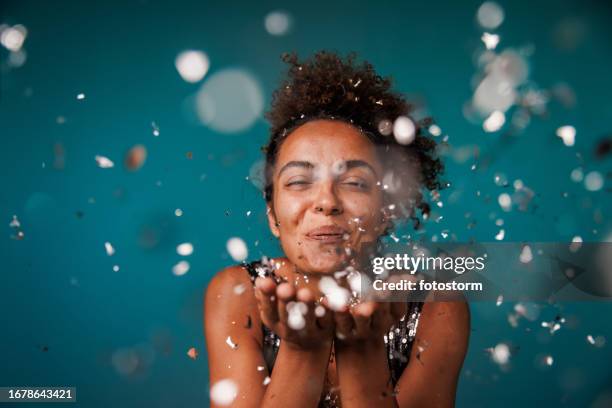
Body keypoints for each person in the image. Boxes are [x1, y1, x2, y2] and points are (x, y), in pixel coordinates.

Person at [204, 50, 470, 407]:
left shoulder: (437, 303)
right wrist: (302, 350)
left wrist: (362, 350)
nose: (326, 202)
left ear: (386, 213)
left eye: (355, 183)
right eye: (299, 181)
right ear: (272, 215)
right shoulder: (237, 293)